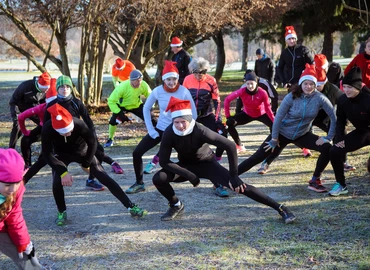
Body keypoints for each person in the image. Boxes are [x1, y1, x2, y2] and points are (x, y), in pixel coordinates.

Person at [152, 96, 296, 224]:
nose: (180, 126)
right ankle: (176, 205)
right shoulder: (170, 132)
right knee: (158, 178)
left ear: (189, 119)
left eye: (183, 122)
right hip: (186, 167)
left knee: (240, 187)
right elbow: (164, 162)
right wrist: (190, 176)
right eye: (176, 122)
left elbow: (230, 145)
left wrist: (234, 176)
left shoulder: (200, 130)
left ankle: (281, 208)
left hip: (207, 164)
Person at [41, 103, 147, 225]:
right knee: (57, 181)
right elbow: (47, 154)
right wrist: (63, 172)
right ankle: (61, 212)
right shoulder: (48, 128)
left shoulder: (79, 124)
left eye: (70, 131)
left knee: (103, 176)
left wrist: (86, 163)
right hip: (61, 154)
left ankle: (131, 206)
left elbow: (92, 143)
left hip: (82, 151)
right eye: (64, 133)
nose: (68, 134)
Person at [238, 64, 336, 193]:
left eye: (311, 84)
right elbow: (278, 118)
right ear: (301, 84)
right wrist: (274, 138)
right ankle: (227, 177)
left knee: (327, 148)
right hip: (282, 134)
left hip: (302, 135)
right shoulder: (291, 97)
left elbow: (334, 117)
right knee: (257, 157)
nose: (308, 87)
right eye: (305, 84)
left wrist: (328, 137)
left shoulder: (320, 98)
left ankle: (315, 180)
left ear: (315, 85)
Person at [126, 60, 197, 194]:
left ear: (177, 78)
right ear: (164, 79)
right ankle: (139, 183)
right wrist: (151, 130)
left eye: (174, 79)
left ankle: (216, 183)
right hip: (160, 130)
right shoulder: (158, 91)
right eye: (168, 79)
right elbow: (146, 108)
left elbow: (193, 113)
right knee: (137, 153)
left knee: (195, 155)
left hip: (178, 132)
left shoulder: (184, 91)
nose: (171, 82)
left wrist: (186, 129)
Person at [43, 75, 124, 191]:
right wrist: (50, 145)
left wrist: (94, 138)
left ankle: (91, 180)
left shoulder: (77, 103)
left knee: (98, 152)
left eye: (67, 86)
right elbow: (46, 126)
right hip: (59, 144)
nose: (65, 89)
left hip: (78, 140)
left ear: (71, 88)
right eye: (61, 87)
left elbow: (88, 121)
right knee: (54, 171)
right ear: (57, 89)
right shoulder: (51, 106)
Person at [182, 57, 229, 197]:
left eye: (202, 72)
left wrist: (218, 119)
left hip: (207, 115)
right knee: (192, 145)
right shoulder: (187, 80)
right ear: (192, 71)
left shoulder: (211, 80)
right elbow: (183, 99)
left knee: (223, 135)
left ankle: (218, 158)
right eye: (196, 73)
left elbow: (217, 101)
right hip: (191, 116)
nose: (199, 75)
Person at [328, 67, 370, 196]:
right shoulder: (342, 100)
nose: (346, 90)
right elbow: (340, 121)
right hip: (362, 132)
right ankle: (341, 184)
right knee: (335, 150)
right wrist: (340, 139)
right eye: (344, 86)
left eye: (350, 87)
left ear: (358, 87)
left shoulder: (368, 99)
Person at [0, 148, 42, 269]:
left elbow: (15, 216)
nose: (12, 189)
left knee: (24, 253)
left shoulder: (16, 191)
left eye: (17, 183)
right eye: (7, 185)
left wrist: (22, 241)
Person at [277, 26, 314, 158]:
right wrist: (284, 80)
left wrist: (309, 79)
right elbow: (279, 68)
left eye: (293, 38)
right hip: (291, 86)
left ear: (296, 39)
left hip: (304, 85)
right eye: (289, 39)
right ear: (286, 40)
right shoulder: (285, 53)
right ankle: (290, 138)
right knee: (292, 112)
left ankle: (307, 143)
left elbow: (312, 65)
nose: (292, 41)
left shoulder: (303, 50)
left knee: (306, 112)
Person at [224, 71, 275, 153]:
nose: (250, 86)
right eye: (248, 84)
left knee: (274, 126)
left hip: (261, 113)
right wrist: (228, 116)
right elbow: (227, 100)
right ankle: (239, 145)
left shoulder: (263, 93)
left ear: (256, 83)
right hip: (247, 114)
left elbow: (268, 108)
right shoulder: (242, 91)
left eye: (252, 83)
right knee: (229, 123)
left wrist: (274, 120)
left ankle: (273, 144)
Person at [104, 70, 156, 148]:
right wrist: (120, 113)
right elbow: (111, 101)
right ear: (131, 80)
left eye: (140, 80)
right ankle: (110, 139)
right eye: (137, 81)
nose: (139, 83)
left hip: (136, 105)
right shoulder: (122, 87)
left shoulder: (143, 85)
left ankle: (160, 137)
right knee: (113, 121)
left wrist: (150, 106)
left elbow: (151, 96)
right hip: (122, 106)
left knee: (153, 120)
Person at [17, 78, 58, 169]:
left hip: (59, 131)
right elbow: (21, 117)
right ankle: (27, 165)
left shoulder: (65, 107)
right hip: (43, 128)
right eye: (50, 104)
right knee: (25, 140)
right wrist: (25, 131)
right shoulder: (41, 108)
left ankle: (43, 161)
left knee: (48, 148)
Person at [9, 71, 51, 149]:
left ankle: (47, 145)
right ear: (39, 84)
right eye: (44, 88)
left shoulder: (46, 90)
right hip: (20, 107)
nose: (45, 91)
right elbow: (13, 102)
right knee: (17, 126)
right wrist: (16, 116)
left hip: (34, 108)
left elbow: (43, 103)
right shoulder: (25, 86)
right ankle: (11, 149)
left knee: (45, 125)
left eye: (47, 89)